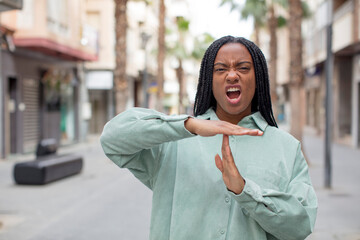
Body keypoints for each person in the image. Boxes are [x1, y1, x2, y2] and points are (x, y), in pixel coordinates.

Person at [100, 35, 317, 240]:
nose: (232, 75)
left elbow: (300, 226)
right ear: (208, 81)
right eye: (221, 69)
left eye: (243, 68)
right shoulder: (172, 143)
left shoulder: (287, 148)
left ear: (258, 78)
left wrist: (244, 190)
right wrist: (190, 125)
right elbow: (112, 138)